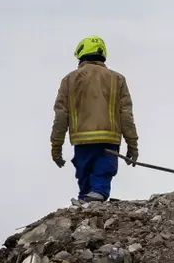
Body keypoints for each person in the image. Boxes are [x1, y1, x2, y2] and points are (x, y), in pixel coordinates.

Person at [49, 35, 139, 202]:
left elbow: (61, 115)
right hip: (109, 140)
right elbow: (126, 114)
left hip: (82, 141)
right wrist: (132, 145)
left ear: (81, 55)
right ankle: (94, 197)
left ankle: (88, 199)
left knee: (85, 176)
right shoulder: (117, 79)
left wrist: (56, 147)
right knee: (103, 172)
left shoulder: (69, 80)